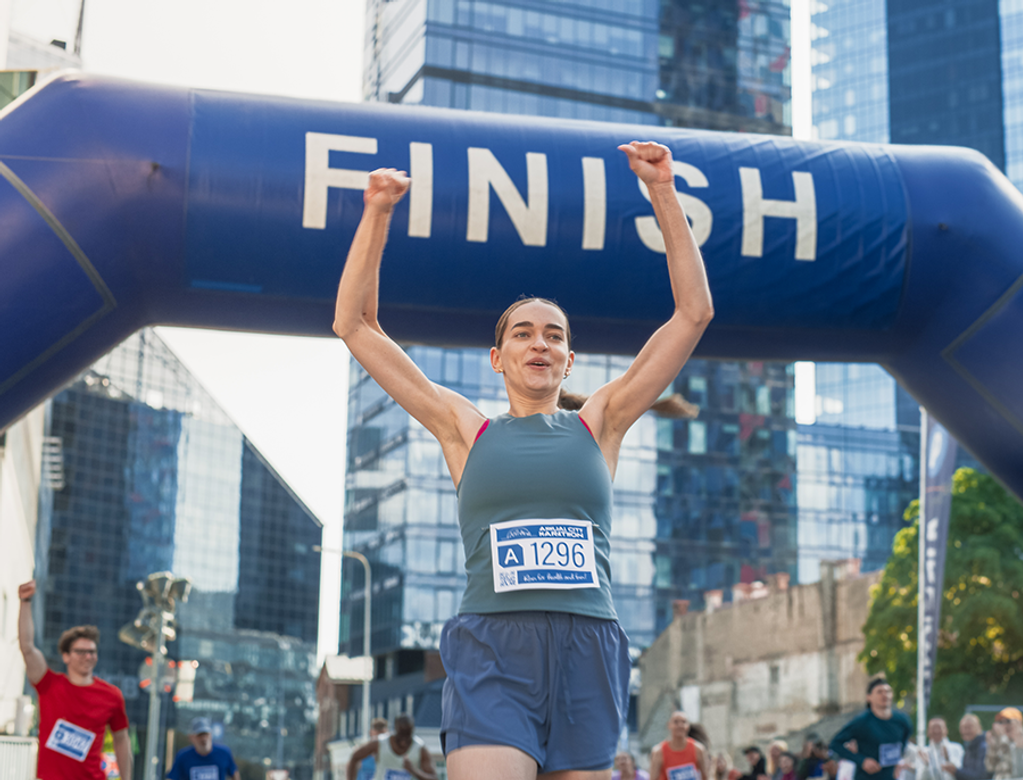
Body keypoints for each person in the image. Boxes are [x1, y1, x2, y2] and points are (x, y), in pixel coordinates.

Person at [333, 138, 713, 780]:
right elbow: (355, 325)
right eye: (523, 333)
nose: (539, 343)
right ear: (498, 357)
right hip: (494, 651)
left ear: (570, 361)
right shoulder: (464, 429)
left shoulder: (601, 422)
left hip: (587, 648)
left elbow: (693, 313)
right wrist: (376, 214)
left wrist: (663, 191)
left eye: (554, 336)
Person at [17, 579, 132, 780]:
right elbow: (27, 647)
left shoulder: (112, 696)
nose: (87, 656)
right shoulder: (49, 684)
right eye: (80, 651)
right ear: (66, 656)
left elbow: (121, 740)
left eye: (92, 652)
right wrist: (25, 602)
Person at [829, 679, 913, 780]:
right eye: (879, 692)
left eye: (888, 691)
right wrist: (862, 761)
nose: (884, 695)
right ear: (869, 697)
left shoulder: (902, 721)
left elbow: (905, 739)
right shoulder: (861, 722)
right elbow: (835, 744)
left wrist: (898, 760)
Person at [346, 714, 437, 780]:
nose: (403, 742)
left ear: (412, 731)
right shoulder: (380, 743)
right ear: (395, 730)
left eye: (407, 736)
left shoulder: (419, 748)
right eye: (401, 735)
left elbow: (434, 778)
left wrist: (413, 770)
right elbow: (355, 757)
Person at [166, 717, 239, 780]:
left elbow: (234, 774)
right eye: (200, 735)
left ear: (211, 735)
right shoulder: (183, 756)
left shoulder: (224, 753)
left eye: (206, 734)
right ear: (191, 738)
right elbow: (172, 777)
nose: (204, 738)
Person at [651, 711, 711, 780]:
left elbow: (705, 776)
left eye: (683, 722)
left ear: (688, 726)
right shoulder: (659, 752)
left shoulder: (698, 749)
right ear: (669, 725)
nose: (680, 725)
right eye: (676, 722)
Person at [985, 708, 1023, 780]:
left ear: (1018, 723)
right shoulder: (1002, 741)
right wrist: (992, 746)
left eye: (1008, 721)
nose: (1004, 725)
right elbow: (990, 767)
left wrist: (1017, 741)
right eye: (1000, 722)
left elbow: (1017, 772)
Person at [948, 714, 989, 780]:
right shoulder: (971, 746)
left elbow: (980, 776)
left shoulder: (984, 747)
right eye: (963, 728)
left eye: (969, 727)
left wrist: (956, 771)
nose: (965, 731)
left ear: (979, 727)